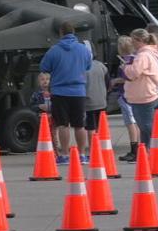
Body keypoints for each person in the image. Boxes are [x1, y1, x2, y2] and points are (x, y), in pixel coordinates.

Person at [40, 22, 92, 164]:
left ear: (61, 33)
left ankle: (64, 155)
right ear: (73, 32)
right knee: (79, 125)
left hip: (59, 92)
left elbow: (44, 67)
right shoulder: (83, 49)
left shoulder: (54, 50)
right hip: (78, 92)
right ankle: (82, 154)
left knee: (63, 125)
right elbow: (88, 66)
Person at [123, 28, 158, 155]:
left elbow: (132, 74)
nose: (131, 43)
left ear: (139, 40)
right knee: (145, 128)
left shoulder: (143, 56)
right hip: (144, 95)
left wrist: (126, 65)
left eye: (133, 40)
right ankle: (145, 152)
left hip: (143, 96)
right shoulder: (147, 54)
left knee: (146, 127)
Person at [113, 36, 142, 162]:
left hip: (125, 95)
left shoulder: (125, 62)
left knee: (130, 123)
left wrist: (115, 81)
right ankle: (138, 147)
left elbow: (127, 78)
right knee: (136, 122)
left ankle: (134, 149)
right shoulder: (136, 59)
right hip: (135, 95)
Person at [85, 59, 109, 135]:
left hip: (88, 102)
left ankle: (93, 142)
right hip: (102, 101)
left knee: (90, 127)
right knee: (101, 126)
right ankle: (101, 141)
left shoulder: (81, 66)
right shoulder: (101, 65)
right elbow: (107, 82)